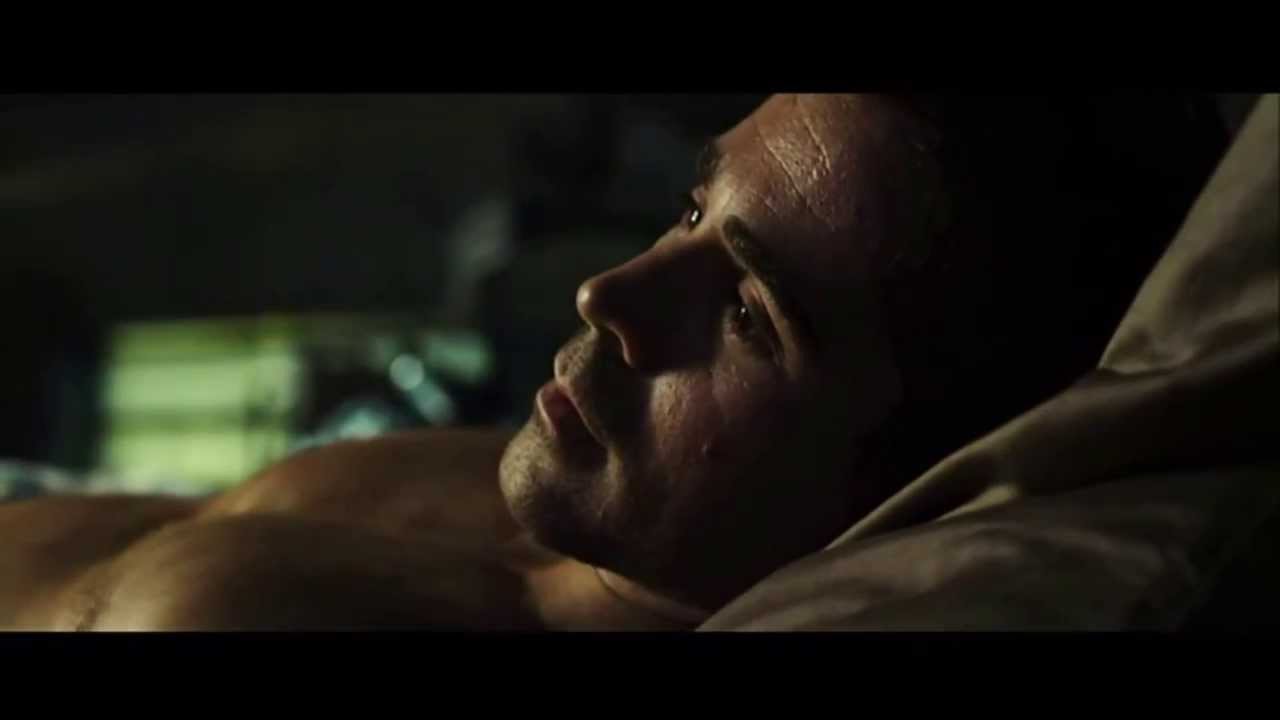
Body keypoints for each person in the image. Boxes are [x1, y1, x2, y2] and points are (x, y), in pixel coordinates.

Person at [0, 94, 1222, 631]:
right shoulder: (583, 507)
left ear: (901, 481)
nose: (609, 293)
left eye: (749, 314)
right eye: (691, 211)